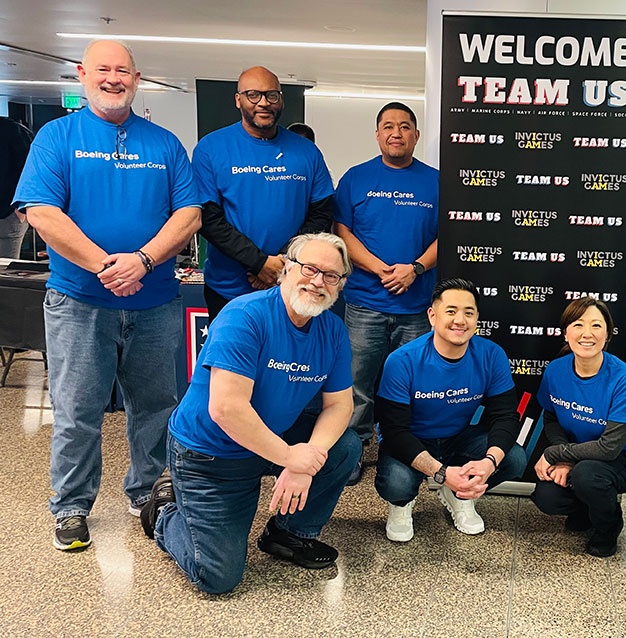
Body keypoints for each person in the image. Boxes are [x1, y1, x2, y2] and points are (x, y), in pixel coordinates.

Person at [12, 39, 201, 551]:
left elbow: (189, 214)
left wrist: (142, 261)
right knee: (77, 410)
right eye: (103, 69)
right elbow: (42, 212)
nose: (113, 78)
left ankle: (150, 493)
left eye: (123, 70)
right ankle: (71, 506)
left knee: (157, 406)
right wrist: (106, 266)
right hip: (79, 302)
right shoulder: (57, 137)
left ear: (137, 79)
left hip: (155, 301)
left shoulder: (164, 144)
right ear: (82, 74)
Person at [140, 233, 361, 594]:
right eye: (309, 268)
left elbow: (340, 405)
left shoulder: (332, 330)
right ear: (286, 269)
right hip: (211, 454)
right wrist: (291, 457)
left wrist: (304, 461)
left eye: (331, 275)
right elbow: (227, 409)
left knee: (344, 447)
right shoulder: (245, 315)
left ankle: (288, 534)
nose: (318, 281)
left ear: (341, 284)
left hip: (271, 438)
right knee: (217, 576)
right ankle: (166, 513)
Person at [374, 278, 526, 541]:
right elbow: (393, 431)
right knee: (396, 483)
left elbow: (506, 416)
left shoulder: (492, 355)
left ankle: (459, 495)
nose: (460, 320)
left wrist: (489, 463)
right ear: (432, 316)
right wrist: (442, 473)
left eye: (469, 312)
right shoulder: (402, 360)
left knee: (513, 459)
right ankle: (401, 504)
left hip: (459, 438)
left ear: (477, 318)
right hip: (411, 439)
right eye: (451, 311)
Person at [334, 101, 438, 484]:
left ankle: (404, 453)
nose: (397, 132)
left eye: (405, 126)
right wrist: (381, 269)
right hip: (365, 304)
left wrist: (416, 269)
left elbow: (449, 235)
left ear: (416, 135)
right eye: (389, 126)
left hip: (417, 307)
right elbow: (342, 233)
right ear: (377, 134)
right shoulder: (355, 178)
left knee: (411, 386)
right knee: (356, 385)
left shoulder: (436, 181)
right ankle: (352, 452)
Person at [193, 66, 335, 321]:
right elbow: (209, 220)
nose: (263, 103)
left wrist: (283, 262)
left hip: (293, 289)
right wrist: (258, 263)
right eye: (253, 95)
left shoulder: (307, 152)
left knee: (291, 350)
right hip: (227, 291)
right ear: (238, 100)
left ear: (281, 100)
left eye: (271, 95)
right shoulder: (210, 148)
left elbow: (321, 213)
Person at [530, 298, 626, 557]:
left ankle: (608, 527)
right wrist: (564, 459)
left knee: (587, 475)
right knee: (547, 496)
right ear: (566, 333)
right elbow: (551, 419)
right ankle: (587, 509)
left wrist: (556, 454)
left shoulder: (623, 378)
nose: (587, 333)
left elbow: (609, 448)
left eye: (596, 325)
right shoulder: (555, 371)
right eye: (578, 325)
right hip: (580, 454)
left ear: (607, 334)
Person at [0, 116, 33, 259]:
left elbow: (31, 170)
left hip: (8, 214)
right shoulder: (15, 130)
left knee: (6, 266)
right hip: (10, 213)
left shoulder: (13, 130)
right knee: (7, 268)